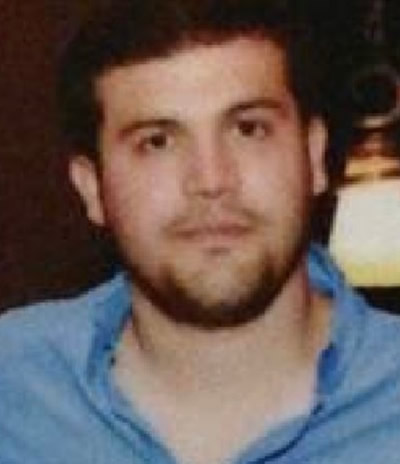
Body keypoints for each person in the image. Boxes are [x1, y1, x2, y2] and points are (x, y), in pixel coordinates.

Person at [1, 0, 400, 463]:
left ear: (313, 156)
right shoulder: (14, 391)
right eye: (157, 142)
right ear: (92, 188)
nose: (211, 180)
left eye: (248, 129)